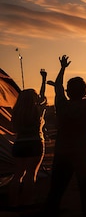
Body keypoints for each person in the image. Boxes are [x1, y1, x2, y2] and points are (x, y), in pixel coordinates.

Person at [45, 56, 86, 217]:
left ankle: (50, 216)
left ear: (68, 92)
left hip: (63, 152)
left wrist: (62, 68)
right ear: (85, 91)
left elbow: (58, 88)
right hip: (84, 154)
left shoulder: (62, 104)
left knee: (56, 189)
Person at [9, 69, 47, 208]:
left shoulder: (17, 112)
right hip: (35, 143)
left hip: (19, 144)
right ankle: (28, 201)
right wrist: (43, 80)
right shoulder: (38, 110)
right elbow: (43, 96)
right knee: (31, 174)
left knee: (17, 174)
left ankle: (14, 202)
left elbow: (13, 129)